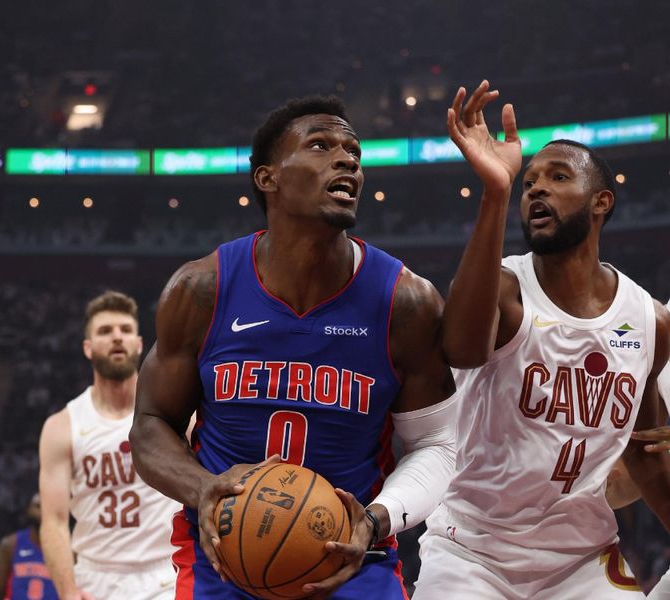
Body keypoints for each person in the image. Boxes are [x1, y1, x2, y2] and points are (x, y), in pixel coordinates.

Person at [130, 96, 458, 600]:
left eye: (354, 151)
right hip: (227, 557)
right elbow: (150, 425)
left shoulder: (407, 302)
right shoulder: (201, 289)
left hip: (353, 559)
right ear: (269, 178)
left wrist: (374, 520)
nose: (348, 159)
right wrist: (202, 490)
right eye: (321, 145)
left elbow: (436, 446)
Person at [413, 81, 670, 599]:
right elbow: (461, 350)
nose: (536, 189)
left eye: (557, 177)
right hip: (472, 553)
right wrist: (495, 193)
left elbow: (644, 452)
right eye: (529, 182)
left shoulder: (650, 321)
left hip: (581, 559)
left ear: (601, 201)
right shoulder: (505, 288)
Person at [39, 291, 180, 600]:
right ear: (88, 348)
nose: (117, 337)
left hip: (167, 572)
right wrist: (67, 590)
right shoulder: (62, 425)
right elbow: (54, 521)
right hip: (95, 577)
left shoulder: (176, 409)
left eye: (126, 330)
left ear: (140, 344)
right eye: (105, 331)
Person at [0, 493, 59, 600]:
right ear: (28, 510)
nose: (42, 511)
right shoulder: (10, 545)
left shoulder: (70, 548)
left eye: (47, 506)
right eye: (38, 506)